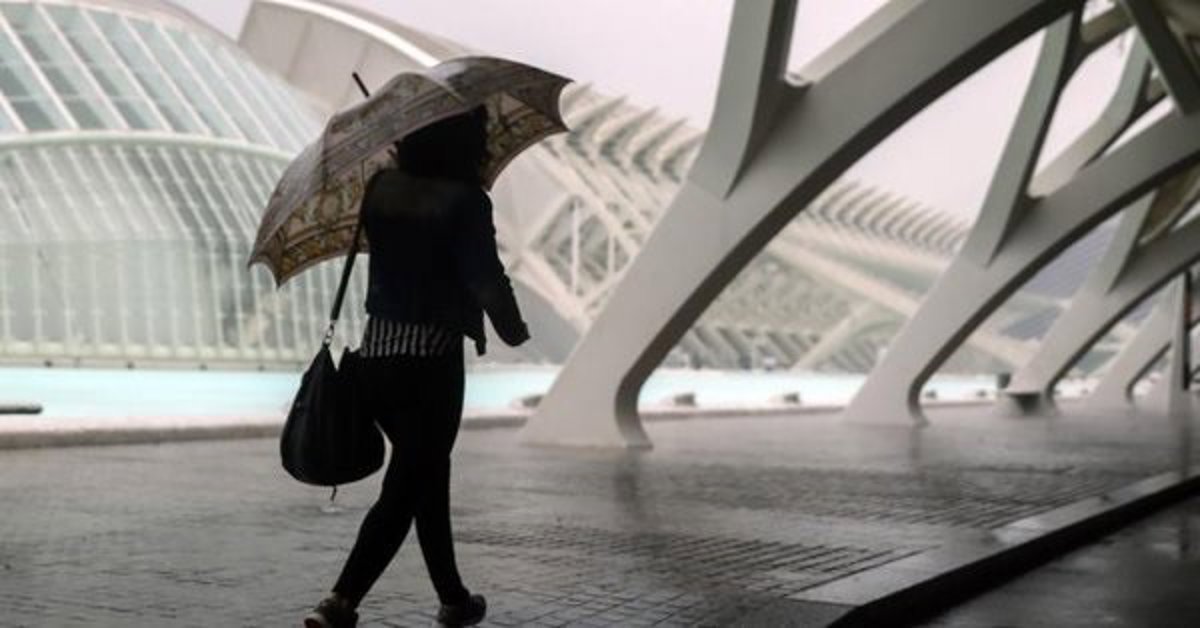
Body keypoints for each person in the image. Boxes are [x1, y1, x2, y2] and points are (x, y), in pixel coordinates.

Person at [305, 105, 530, 628]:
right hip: (431, 364)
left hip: (377, 358)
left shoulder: (380, 190)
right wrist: (512, 328)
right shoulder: (466, 200)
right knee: (406, 488)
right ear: (466, 142)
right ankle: (339, 602)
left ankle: (454, 599)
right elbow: (484, 276)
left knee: (427, 473)